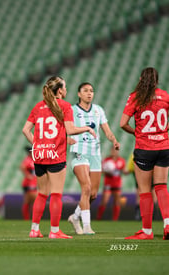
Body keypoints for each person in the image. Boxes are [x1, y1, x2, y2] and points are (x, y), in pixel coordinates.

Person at [22, 76, 96, 239]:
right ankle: (55, 231)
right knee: (56, 194)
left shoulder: (38, 106)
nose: (67, 90)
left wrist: (39, 144)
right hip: (55, 156)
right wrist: (86, 128)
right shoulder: (64, 106)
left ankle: (34, 229)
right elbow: (69, 129)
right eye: (65, 87)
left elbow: (26, 130)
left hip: (40, 154)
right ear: (60, 90)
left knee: (42, 193)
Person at [120, 67, 169, 240]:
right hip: (164, 147)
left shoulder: (136, 97)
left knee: (145, 190)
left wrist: (136, 132)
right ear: (156, 80)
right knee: (161, 186)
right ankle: (168, 224)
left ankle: (147, 231)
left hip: (144, 148)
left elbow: (122, 123)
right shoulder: (165, 95)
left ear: (141, 78)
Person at [67, 82, 120, 235]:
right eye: (85, 91)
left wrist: (114, 140)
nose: (89, 93)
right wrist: (67, 137)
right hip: (79, 151)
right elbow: (64, 127)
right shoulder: (72, 110)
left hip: (95, 153)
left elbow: (107, 131)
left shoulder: (98, 110)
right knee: (86, 187)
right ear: (79, 94)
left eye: (91, 91)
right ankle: (87, 226)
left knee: (93, 194)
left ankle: (75, 217)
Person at [96, 147, 128, 221]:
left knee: (117, 202)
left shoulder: (121, 161)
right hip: (108, 184)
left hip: (117, 184)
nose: (114, 152)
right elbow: (101, 171)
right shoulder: (106, 160)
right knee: (104, 201)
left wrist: (127, 171)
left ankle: (115, 219)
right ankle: (99, 218)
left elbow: (124, 171)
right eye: (112, 150)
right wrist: (107, 171)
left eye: (115, 150)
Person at [20, 146, 38, 220]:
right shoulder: (28, 160)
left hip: (33, 183)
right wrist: (28, 175)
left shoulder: (33, 160)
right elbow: (22, 167)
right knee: (32, 201)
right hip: (29, 183)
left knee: (29, 202)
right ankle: (28, 218)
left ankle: (28, 218)